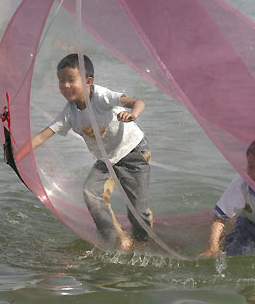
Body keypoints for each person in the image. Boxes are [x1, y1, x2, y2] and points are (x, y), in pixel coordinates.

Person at [15, 53, 152, 251]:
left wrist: (132, 114)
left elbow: (138, 102)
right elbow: (43, 135)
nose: (66, 86)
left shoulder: (101, 96)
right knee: (90, 192)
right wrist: (16, 157)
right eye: (61, 81)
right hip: (107, 160)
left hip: (133, 152)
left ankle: (143, 243)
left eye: (71, 80)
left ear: (88, 81)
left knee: (137, 210)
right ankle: (117, 238)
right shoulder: (69, 112)